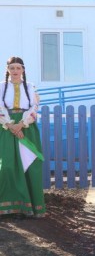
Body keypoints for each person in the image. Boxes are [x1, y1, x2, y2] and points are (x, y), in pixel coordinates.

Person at [0, 56, 45, 218]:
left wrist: (22, 124)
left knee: (29, 165)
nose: (15, 71)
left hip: (27, 129)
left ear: (23, 70)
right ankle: (10, 206)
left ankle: (29, 208)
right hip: (6, 129)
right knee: (7, 166)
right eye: (12, 68)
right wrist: (10, 125)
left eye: (18, 68)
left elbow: (34, 107)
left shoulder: (31, 87)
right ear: (8, 70)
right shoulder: (1, 87)